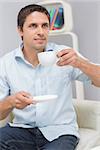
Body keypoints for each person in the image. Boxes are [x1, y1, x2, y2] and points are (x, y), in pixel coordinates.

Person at [0, 4, 100, 150]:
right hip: (22, 130)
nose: (41, 32)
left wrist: (81, 63)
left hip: (60, 131)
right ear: (20, 30)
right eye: (33, 26)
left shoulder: (65, 54)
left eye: (45, 26)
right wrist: (11, 102)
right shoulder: (6, 63)